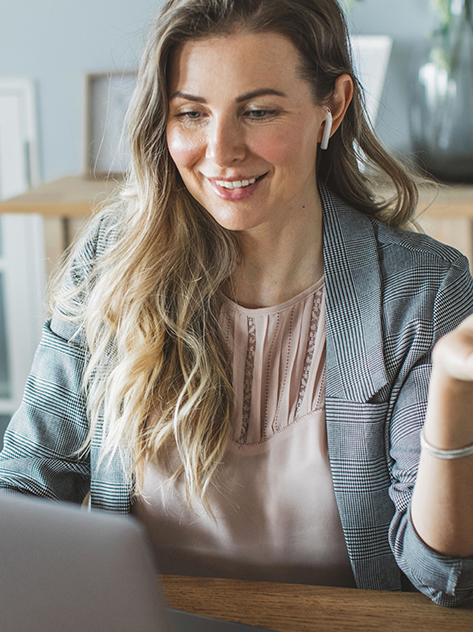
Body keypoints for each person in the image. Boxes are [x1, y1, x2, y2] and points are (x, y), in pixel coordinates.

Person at [1, 0, 473, 606]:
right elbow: (25, 488)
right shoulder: (111, 262)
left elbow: (447, 578)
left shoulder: (422, 289)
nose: (221, 151)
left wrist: (458, 388)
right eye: (191, 113)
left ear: (333, 106)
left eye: (258, 111)